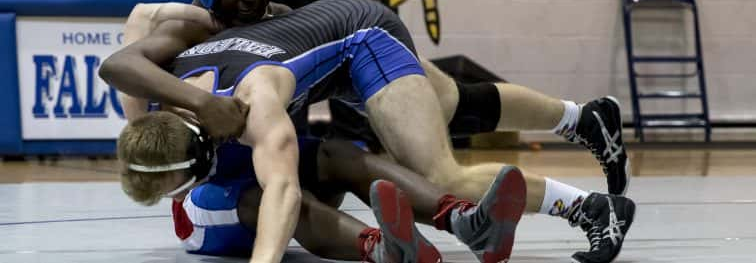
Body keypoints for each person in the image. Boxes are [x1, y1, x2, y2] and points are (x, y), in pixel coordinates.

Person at [101, 0, 634, 263]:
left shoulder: (186, 66)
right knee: (275, 202)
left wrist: (210, 24)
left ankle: (472, 207)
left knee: (373, 139)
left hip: (344, 35)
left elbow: (144, 19)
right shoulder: (180, 101)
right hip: (212, 206)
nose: (247, 0)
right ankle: (382, 244)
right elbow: (283, 192)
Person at [119, 109, 528, 263]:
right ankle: (382, 250)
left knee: (335, 152)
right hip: (202, 212)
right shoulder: (161, 104)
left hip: (238, 167)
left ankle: (466, 221)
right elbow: (140, 26)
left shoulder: (205, 88)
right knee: (279, 198)